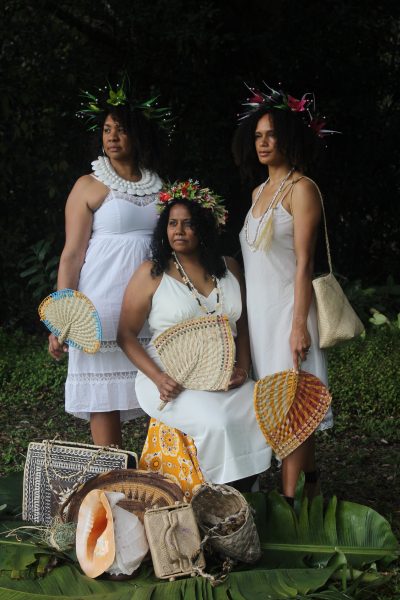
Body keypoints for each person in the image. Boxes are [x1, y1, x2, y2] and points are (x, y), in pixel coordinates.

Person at [117, 180, 272, 489]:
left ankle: (243, 495)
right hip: (171, 376)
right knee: (218, 422)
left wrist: (242, 367)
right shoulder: (152, 272)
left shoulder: (228, 267)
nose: (179, 230)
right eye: (172, 223)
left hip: (224, 372)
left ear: (204, 228)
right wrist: (158, 378)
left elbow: (241, 328)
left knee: (262, 409)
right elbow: (126, 335)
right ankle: (218, 496)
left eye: (188, 224)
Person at [48, 79, 167, 447]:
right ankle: (111, 483)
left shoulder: (160, 184)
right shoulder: (88, 185)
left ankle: (157, 483)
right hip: (101, 305)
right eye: (106, 129)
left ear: (138, 134)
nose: (112, 136)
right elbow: (71, 255)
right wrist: (62, 320)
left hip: (151, 304)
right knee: (105, 402)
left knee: (162, 391)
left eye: (121, 129)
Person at [232, 83, 335, 503]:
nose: (263, 142)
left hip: (290, 313)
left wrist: (297, 326)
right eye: (257, 135)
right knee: (280, 405)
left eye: (271, 134)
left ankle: (289, 503)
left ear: (290, 138)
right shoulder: (258, 193)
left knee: (293, 407)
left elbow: (304, 263)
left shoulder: (302, 189)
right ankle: (311, 479)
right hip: (259, 318)